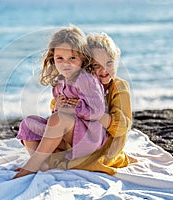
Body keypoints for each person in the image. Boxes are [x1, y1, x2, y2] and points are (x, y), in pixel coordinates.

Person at [13, 25, 107, 179]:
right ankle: (41, 163)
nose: (66, 63)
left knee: (58, 119)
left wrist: (77, 107)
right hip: (69, 136)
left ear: (83, 58)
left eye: (72, 58)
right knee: (28, 123)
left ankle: (33, 165)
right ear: (53, 58)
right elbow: (59, 119)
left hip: (89, 138)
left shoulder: (85, 79)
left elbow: (97, 111)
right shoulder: (59, 82)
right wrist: (57, 107)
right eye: (60, 58)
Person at [47, 32, 134, 175]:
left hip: (104, 145)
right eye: (96, 65)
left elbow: (122, 127)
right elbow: (56, 110)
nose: (104, 70)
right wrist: (60, 106)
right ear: (85, 64)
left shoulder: (118, 87)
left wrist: (90, 110)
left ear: (116, 59)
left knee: (80, 163)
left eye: (109, 63)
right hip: (78, 140)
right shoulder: (78, 83)